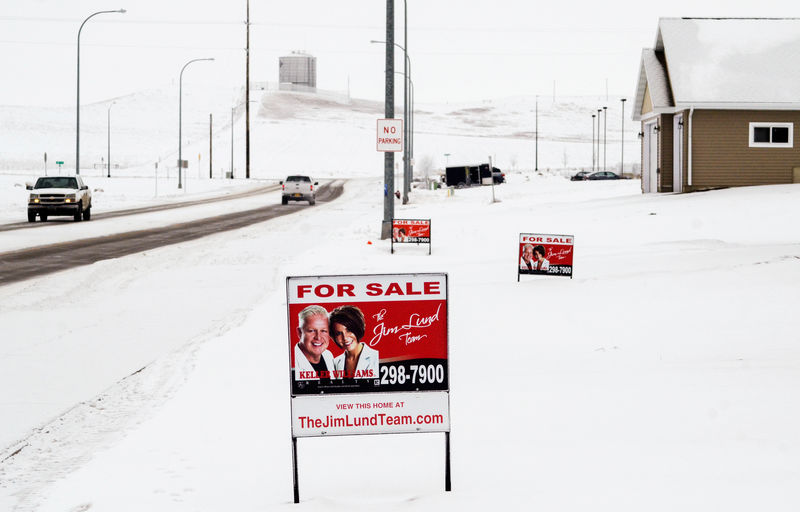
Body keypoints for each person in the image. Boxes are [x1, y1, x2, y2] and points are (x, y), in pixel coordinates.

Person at [329, 305, 379, 379]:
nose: (345, 338)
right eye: (339, 333)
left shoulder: (376, 357)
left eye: (349, 330)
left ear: (357, 328)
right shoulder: (336, 362)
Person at [293, 305, 335, 381]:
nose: (318, 337)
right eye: (311, 331)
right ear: (299, 333)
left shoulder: (328, 355)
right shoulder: (292, 363)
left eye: (323, 331)